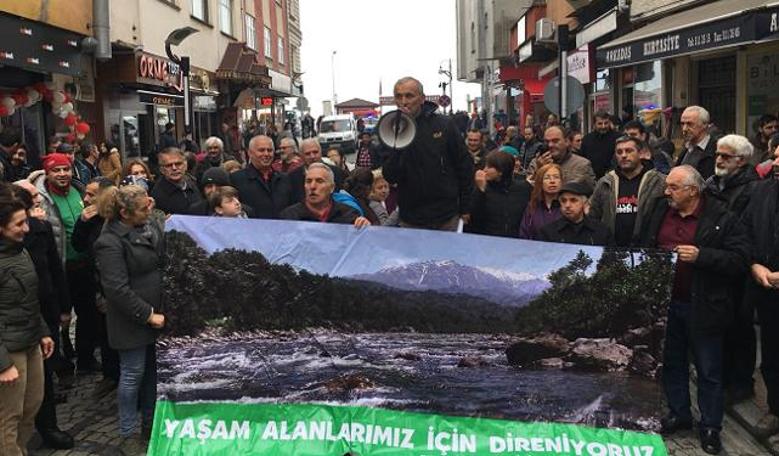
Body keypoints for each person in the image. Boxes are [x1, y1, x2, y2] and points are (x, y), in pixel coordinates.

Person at [640, 165, 750, 455]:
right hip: (665, 304)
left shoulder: (722, 217)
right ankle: (679, 414)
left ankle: (711, 426)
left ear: (692, 190)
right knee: (672, 364)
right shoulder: (660, 210)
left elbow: (740, 260)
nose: (667, 192)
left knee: (708, 369)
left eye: (673, 187)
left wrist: (702, 256)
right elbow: (644, 243)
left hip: (704, 306)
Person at [94, 184, 165, 450]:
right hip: (133, 319)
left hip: (155, 315)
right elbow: (116, 289)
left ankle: (150, 424)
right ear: (124, 213)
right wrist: (148, 315)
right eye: (144, 208)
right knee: (133, 373)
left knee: (152, 374)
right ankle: (127, 432)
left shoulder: (146, 225)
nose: (149, 210)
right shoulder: (109, 242)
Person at [12, 183, 74, 450]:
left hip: (44, 311)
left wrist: (64, 306)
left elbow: (54, 269)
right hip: (14, 321)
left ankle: (48, 426)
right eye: (34, 199)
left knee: (43, 377)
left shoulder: (41, 229)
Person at [0, 184, 55, 456]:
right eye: (19, 223)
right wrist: (3, 364)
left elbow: (31, 298)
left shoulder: (19, 249)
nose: (27, 228)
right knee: (9, 416)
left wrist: (43, 330)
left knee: (32, 406)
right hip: (8, 350)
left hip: (31, 338)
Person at [382, 77, 474, 231]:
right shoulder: (389, 129)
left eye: (409, 96)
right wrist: (399, 144)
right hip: (411, 217)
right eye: (398, 96)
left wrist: (465, 207)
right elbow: (390, 175)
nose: (403, 101)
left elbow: (464, 166)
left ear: (422, 99)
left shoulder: (444, 125)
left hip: (445, 215)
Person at [742, 143, 779, 439]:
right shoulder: (760, 192)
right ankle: (776, 410)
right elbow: (745, 233)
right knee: (771, 355)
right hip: (768, 290)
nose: (776, 162)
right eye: (775, 156)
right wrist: (755, 265)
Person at [71, 176, 120, 383]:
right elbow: (78, 245)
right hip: (98, 285)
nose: (86, 198)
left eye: (92, 194)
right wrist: (81, 223)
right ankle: (110, 374)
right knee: (104, 332)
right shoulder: (89, 219)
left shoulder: (118, 217)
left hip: (116, 285)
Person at [589, 136, 666, 247]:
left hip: (647, 249)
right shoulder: (605, 183)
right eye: (619, 152)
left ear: (640, 153)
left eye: (629, 151)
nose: (624, 155)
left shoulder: (659, 182)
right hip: (612, 249)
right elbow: (594, 217)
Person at [280, 163, 371, 227]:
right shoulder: (289, 217)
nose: (312, 186)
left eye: (319, 181)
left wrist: (365, 228)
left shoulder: (349, 215)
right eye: (308, 181)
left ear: (332, 187)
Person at [469, 150, 530, 238]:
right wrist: (480, 190)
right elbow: (474, 218)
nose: (484, 170)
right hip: (487, 240)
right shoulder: (481, 187)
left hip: (516, 240)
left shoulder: (523, 188)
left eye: (489, 167)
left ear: (501, 170)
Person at [231, 135, 294, 219]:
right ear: (250, 153)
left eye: (270, 150)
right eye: (261, 150)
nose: (266, 154)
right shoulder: (236, 179)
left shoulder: (285, 179)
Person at [539, 181, 611, 246]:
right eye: (563, 201)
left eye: (573, 200)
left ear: (584, 203)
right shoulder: (548, 232)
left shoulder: (601, 231)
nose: (567, 205)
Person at [526, 126, 596, 187]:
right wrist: (539, 171)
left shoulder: (582, 165)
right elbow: (528, 191)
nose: (550, 145)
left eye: (555, 141)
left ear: (566, 142)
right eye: (547, 142)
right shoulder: (536, 163)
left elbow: (592, 194)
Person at [150, 148, 203, 215]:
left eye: (178, 164)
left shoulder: (194, 185)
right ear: (162, 170)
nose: (174, 168)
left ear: (185, 165)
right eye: (169, 165)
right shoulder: (157, 195)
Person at [519, 164, 562, 240]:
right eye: (547, 178)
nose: (552, 181)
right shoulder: (532, 206)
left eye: (556, 177)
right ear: (540, 182)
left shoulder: (567, 206)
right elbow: (524, 234)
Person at [676, 106, 716, 180]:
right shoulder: (686, 150)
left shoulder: (716, 151)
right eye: (682, 124)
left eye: (690, 124)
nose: (684, 129)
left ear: (704, 125)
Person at [580, 111, 620, 179]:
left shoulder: (618, 138)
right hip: (592, 178)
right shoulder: (587, 139)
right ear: (594, 124)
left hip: (614, 176)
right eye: (600, 124)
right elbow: (583, 159)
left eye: (606, 123)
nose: (603, 126)